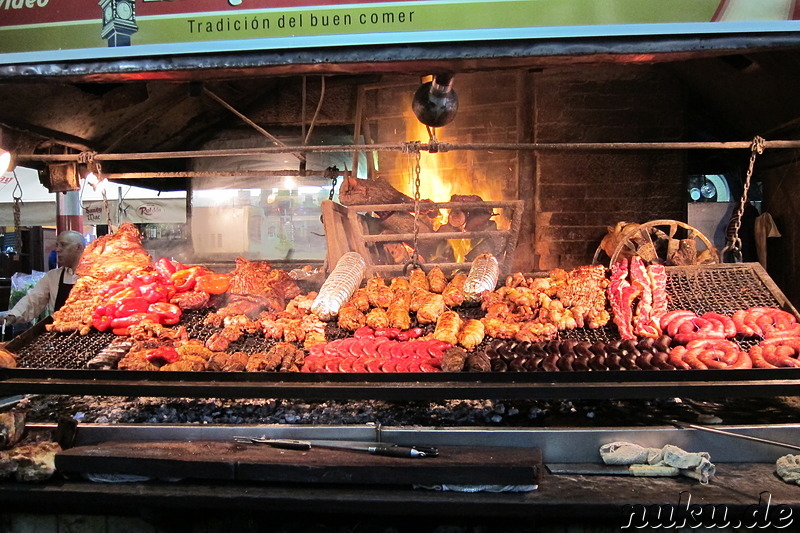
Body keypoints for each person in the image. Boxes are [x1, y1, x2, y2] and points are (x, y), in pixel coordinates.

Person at [0, 231, 86, 325]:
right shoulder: (53, 276)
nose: (57, 249)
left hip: (91, 333)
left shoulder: (96, 276)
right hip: (59, 333)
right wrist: (13, 315)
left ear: (79, 247)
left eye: (63, 245)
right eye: (57, 245)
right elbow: (33, 300)